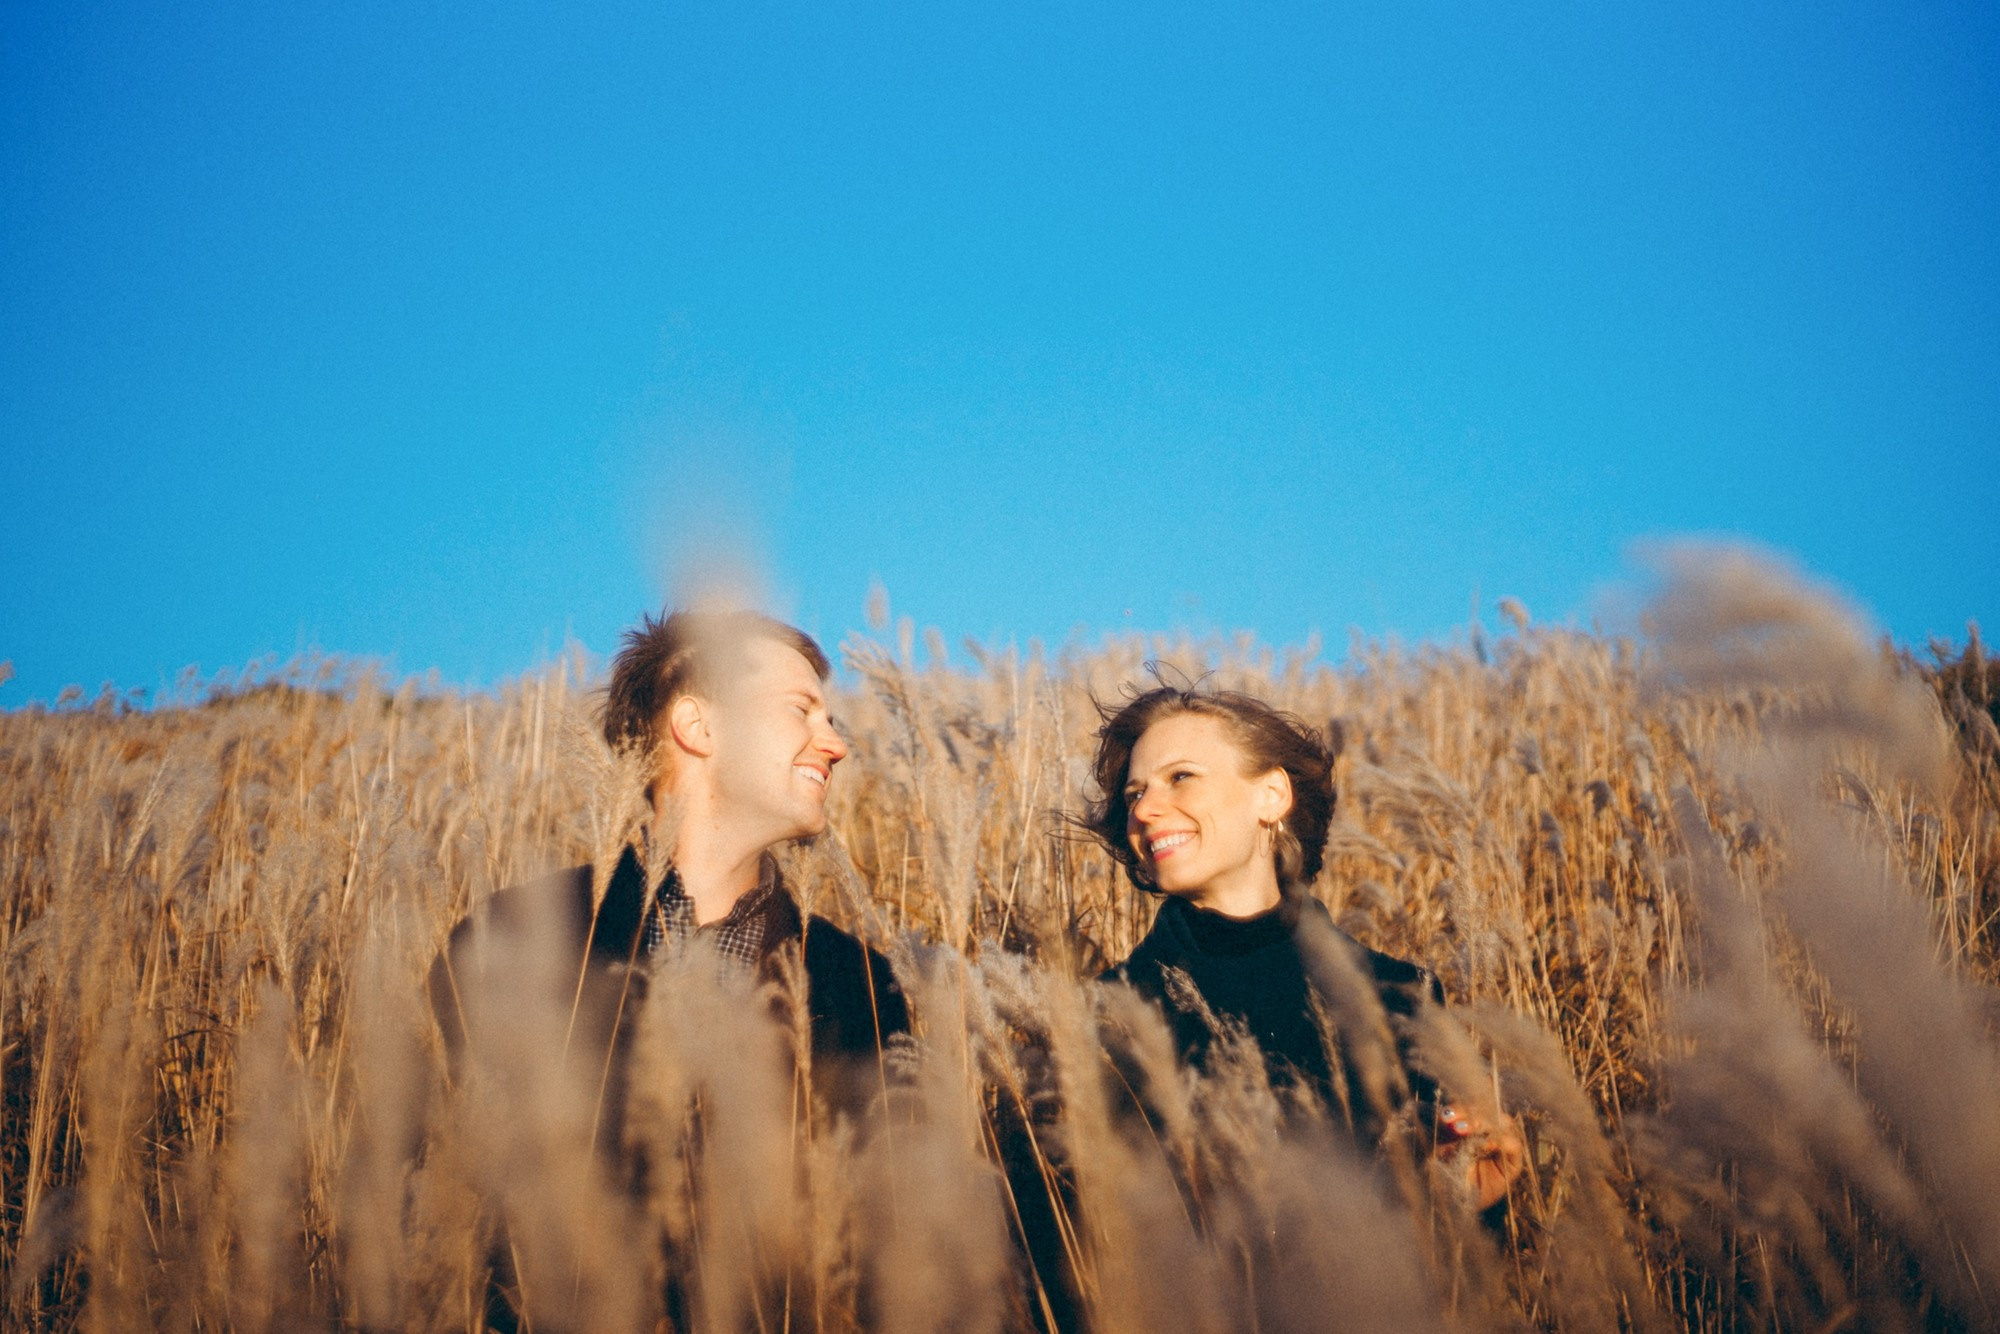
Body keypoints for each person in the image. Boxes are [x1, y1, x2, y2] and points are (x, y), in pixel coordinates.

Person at [428, 609, 909, 1328]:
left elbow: (885, 1248)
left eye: (831, 719)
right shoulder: (516, 943)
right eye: (800, 711)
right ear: (698, 726)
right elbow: (427, 1199)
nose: (835, 744)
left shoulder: (858, 985)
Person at [1084, 684, 1524, 1213]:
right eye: (1135, 794)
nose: (1148, 809)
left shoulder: (1399, 997)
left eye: (1181, 777)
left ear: (1272, 796)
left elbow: (1459, 1267)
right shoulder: (1108, 1013)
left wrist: (1463, 1198)